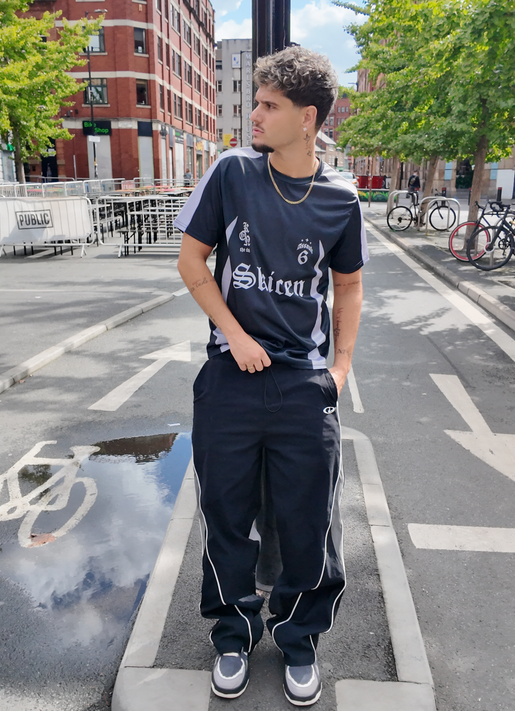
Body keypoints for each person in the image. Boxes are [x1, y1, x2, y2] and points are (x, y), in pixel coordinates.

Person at [176, 46, 367, 707]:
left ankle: (298, 637)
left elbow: (348, 286)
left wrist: (340, 368)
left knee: (309, 521)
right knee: (225, 516)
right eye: (255, 102)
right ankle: (232, 635)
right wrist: (235, 334)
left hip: (304, 387)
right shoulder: (232, 173)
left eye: (268, 105)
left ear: (306, 117)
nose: (253, 115)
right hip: (229, 380)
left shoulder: (341, 199)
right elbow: (192, 261)